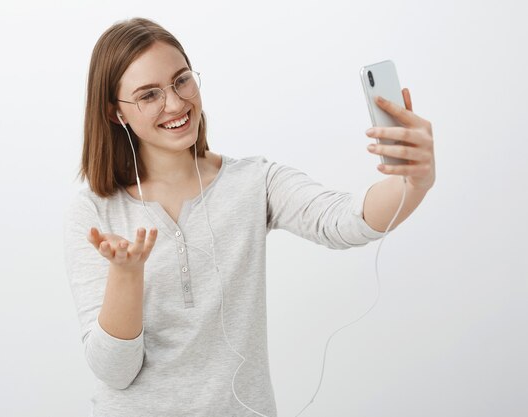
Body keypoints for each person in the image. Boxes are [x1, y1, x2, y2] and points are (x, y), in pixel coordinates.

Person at [63, 17, 436, 417]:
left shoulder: (254, 181)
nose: (175, 103)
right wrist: (126, 274)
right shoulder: (94, 211)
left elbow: (344, 221)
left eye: (181, 80)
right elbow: (114, 372)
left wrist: (415, 182)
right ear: (116, 114)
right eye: (149, 95)